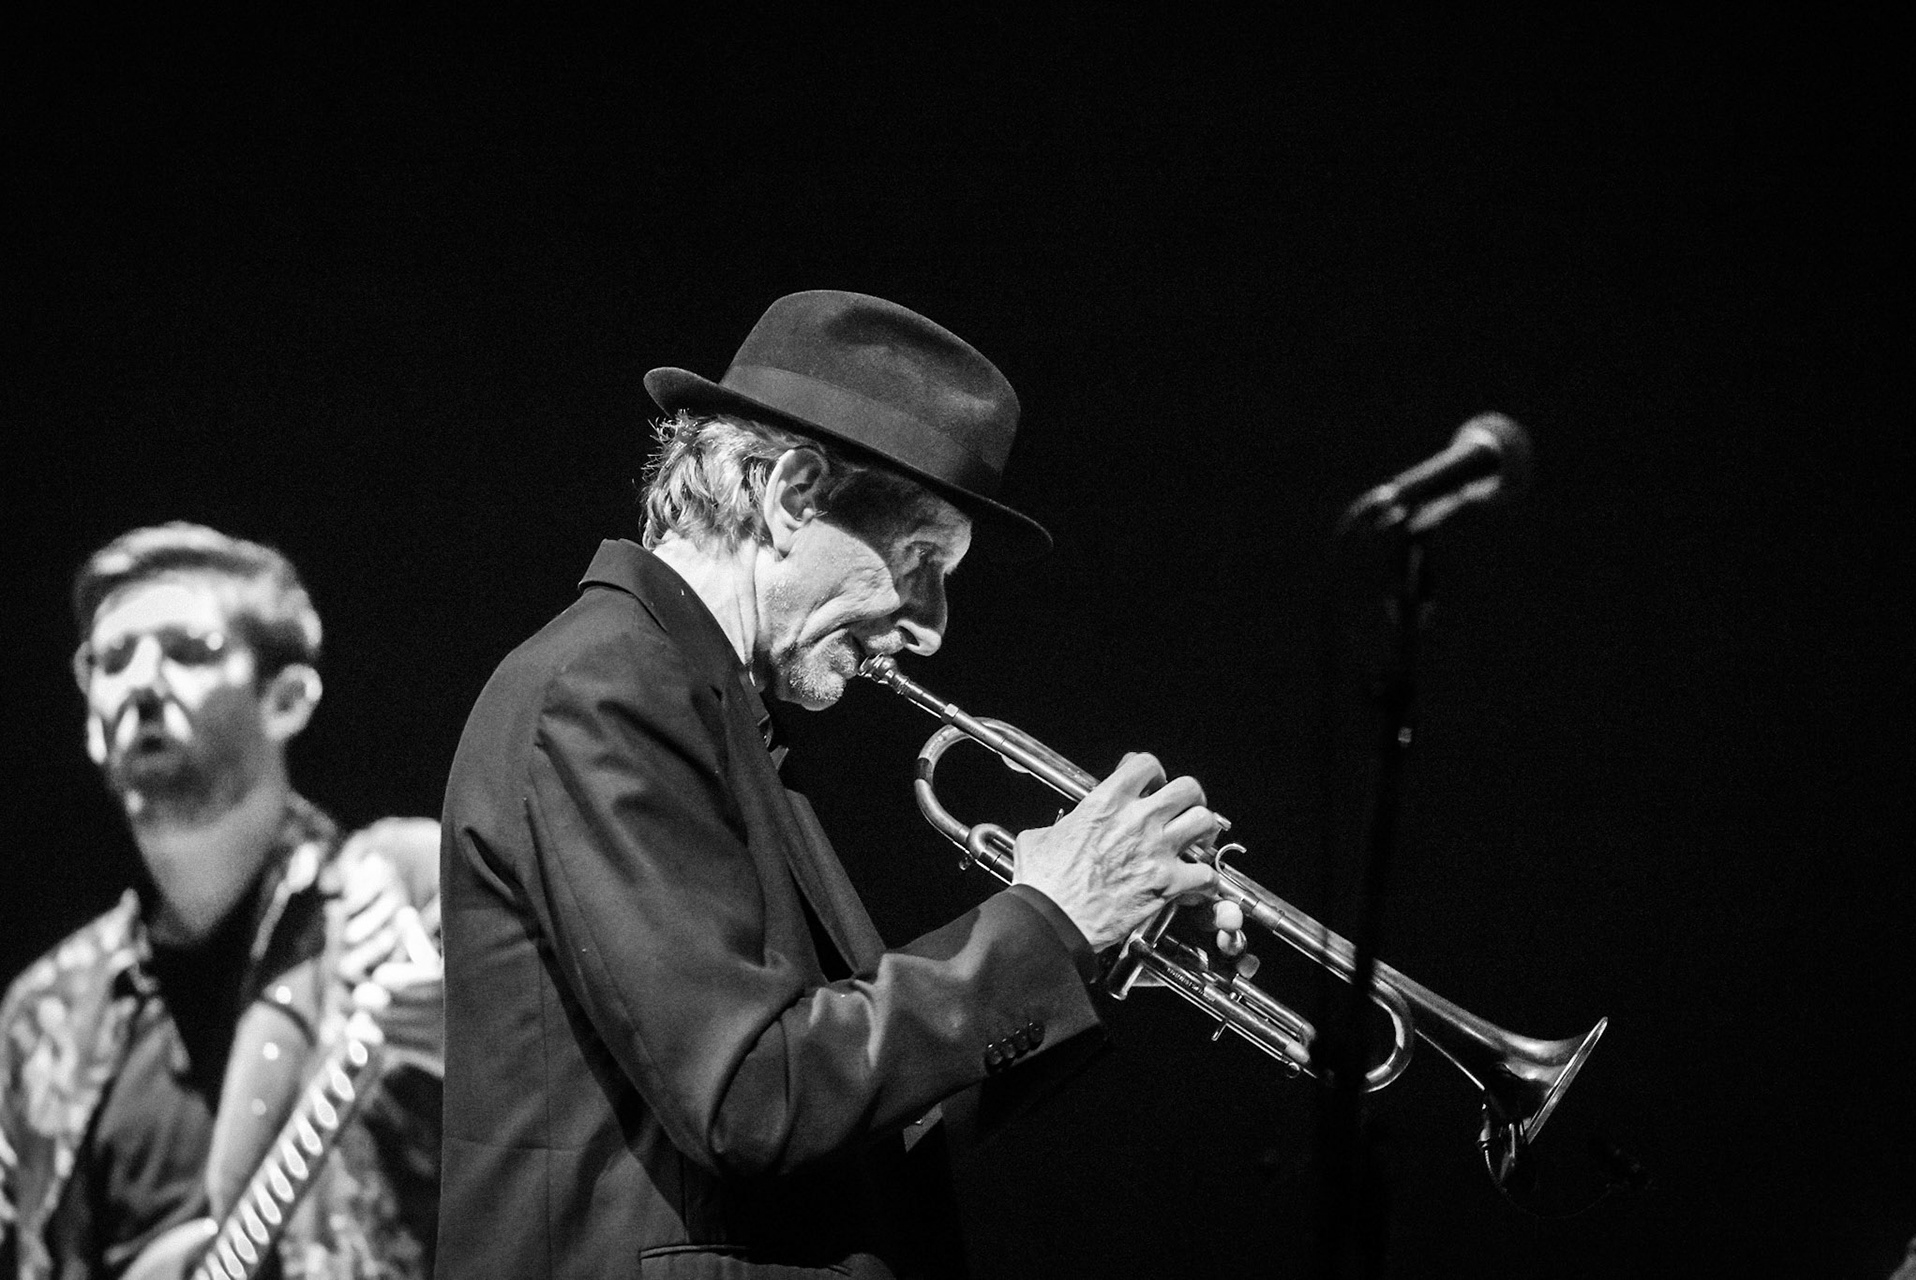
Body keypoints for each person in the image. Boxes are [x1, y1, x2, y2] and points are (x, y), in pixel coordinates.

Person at [436, 290, 1243, 1279]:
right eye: (918, 560)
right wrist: (1041, 921)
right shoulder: (605, 685)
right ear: (791, 494)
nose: (933, 624)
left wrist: (1087, 936)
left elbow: (860, 1136)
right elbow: (753, 1095)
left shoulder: (709, 703)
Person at [0, 523, 444, 1280]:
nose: (141, 681)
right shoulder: (44, 1013)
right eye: (112, 659)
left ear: (288, 699)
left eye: (189, 650)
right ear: (91, 726)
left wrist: (463, 1041)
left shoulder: (398, 895)